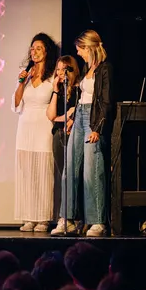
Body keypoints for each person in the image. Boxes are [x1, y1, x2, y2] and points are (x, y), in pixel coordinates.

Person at [53, 30, 114, 237]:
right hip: (79, 115)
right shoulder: (89, 68)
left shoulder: (105, 69)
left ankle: (97, 221)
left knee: (91, 170)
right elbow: (82, 98)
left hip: (93, 119)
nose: (78, 53)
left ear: (89, 47)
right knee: (69, 168)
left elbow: (106, 102)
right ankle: (67, 219)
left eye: (80, 49)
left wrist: (97, 128)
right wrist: (72, 119)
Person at [12, 33, 59, 232]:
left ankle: (43, 218)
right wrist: (22, 82)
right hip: (25, 126)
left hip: (43, 125)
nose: (34, 52)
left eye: (38, 48)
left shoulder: (52, 76)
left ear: (46, 51)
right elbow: (15, 104)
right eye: (32, 48)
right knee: (27, 172)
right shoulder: (26, 75)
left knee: (43, 171)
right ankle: (29, 216)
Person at [47, 55, 81, 227]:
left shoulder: (78, 90)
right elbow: (51, 116)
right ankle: (68, 217)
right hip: (58, 134)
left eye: (63, 69)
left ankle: (74, 217)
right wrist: (54, 90)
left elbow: (75, 112)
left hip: (72, 134)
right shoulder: (59, 92)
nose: (60, 73)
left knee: (72, 176)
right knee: (63, 177)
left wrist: (68, 117)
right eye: (58, 69)